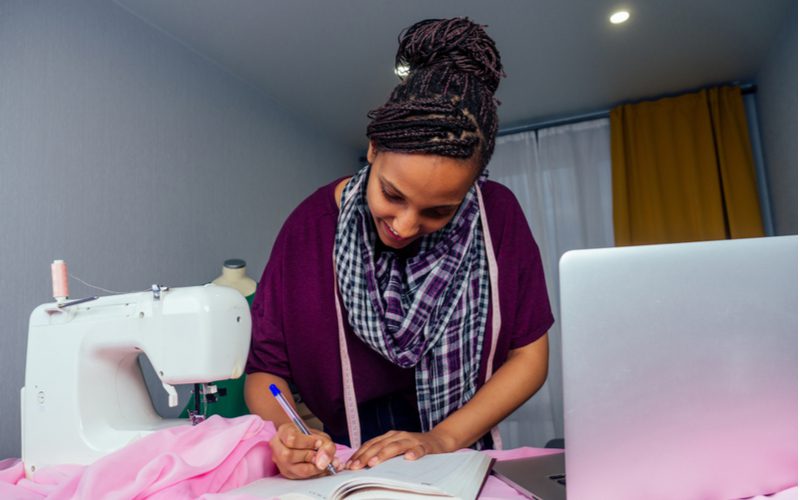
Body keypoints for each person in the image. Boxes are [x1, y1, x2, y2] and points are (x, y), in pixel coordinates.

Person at [244, 17, 554, 480]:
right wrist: (285, 436)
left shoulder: (497, 217)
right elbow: (264, 374)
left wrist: (441, 439)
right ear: (372, 149)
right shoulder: (308, 228)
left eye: (439, 212)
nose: (406, 226)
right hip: (344, 465)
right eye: (392, 195)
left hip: (457, 451)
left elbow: (529, 356)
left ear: (472, 188)